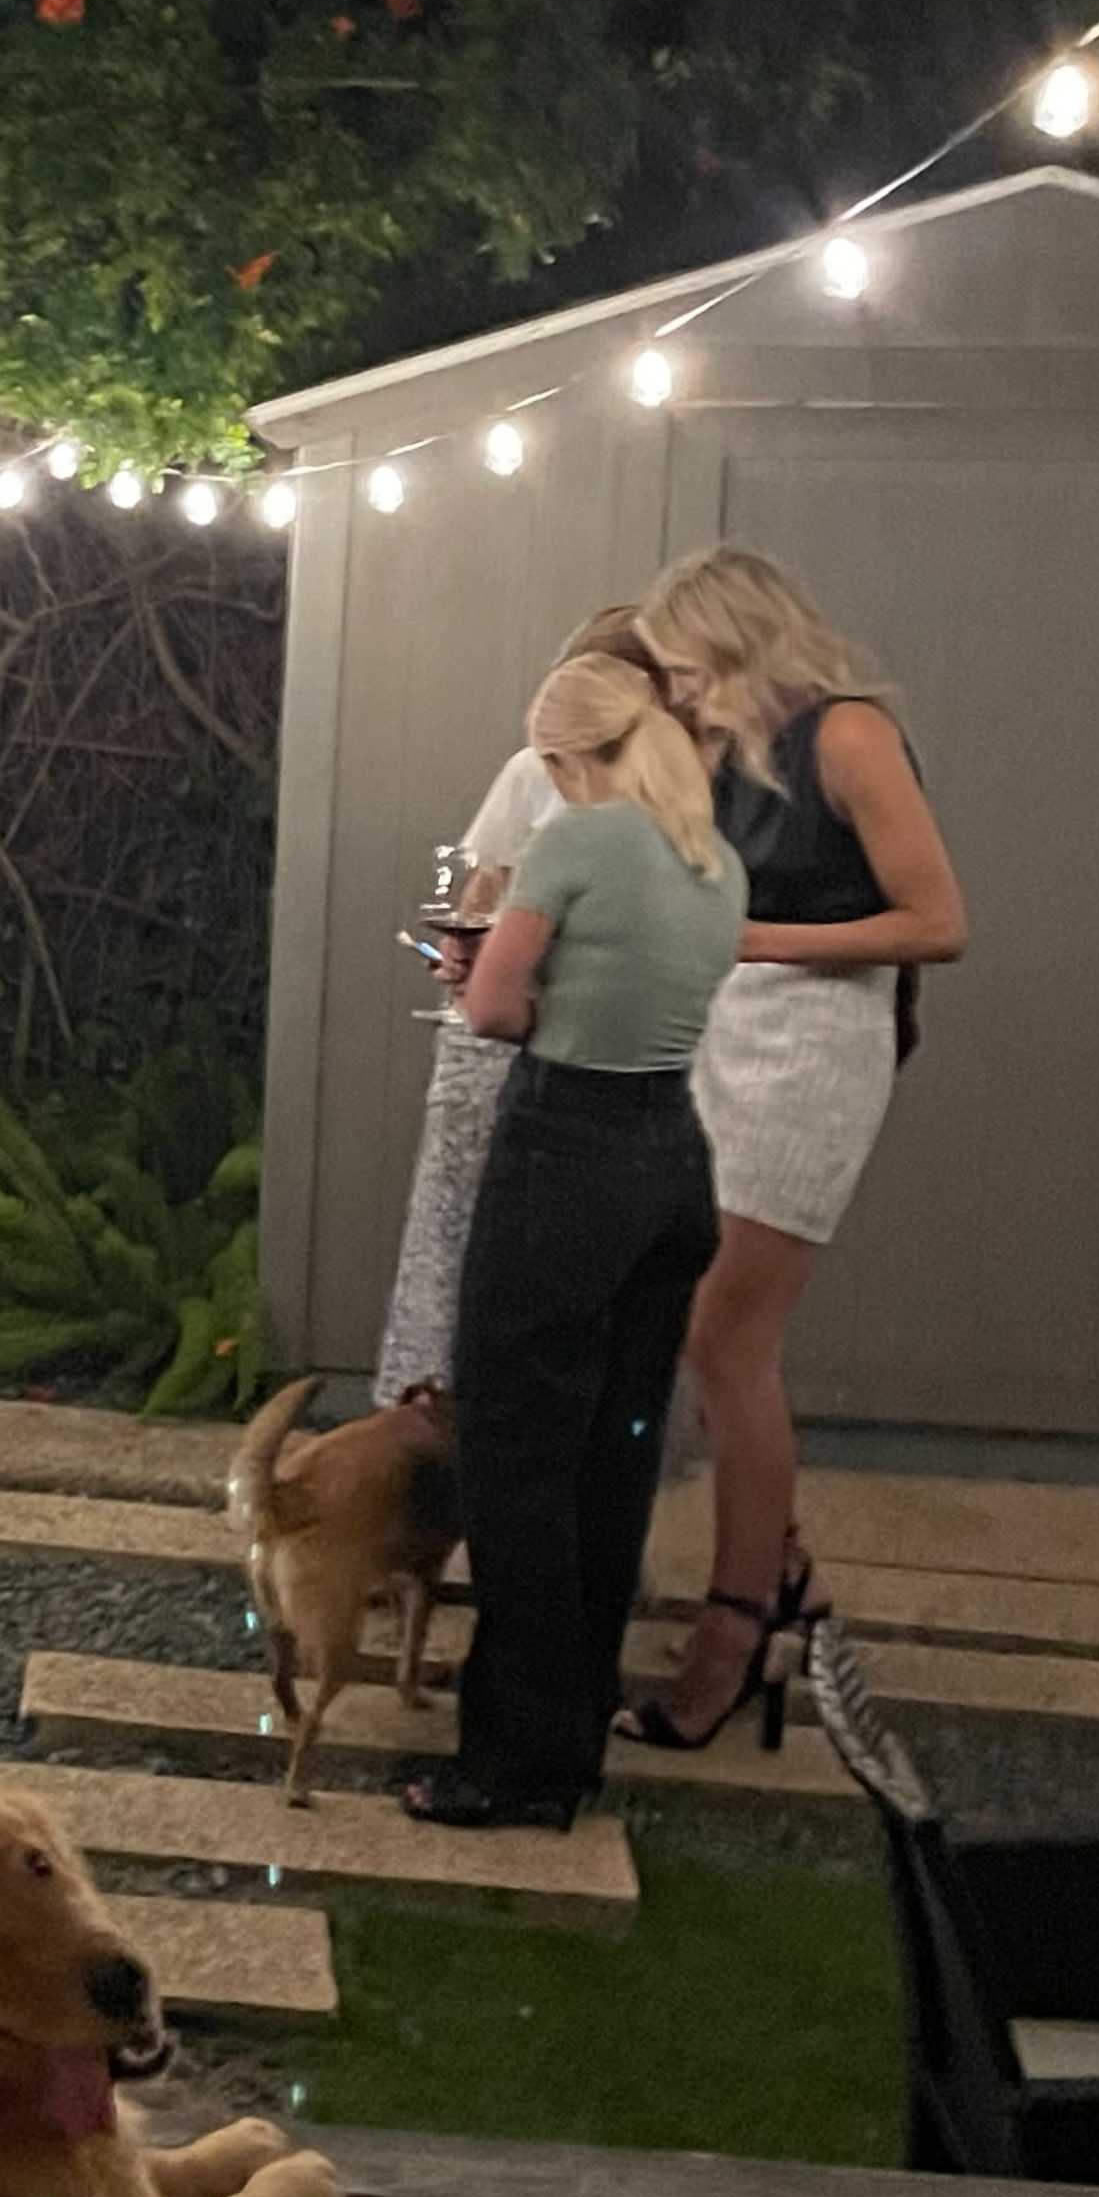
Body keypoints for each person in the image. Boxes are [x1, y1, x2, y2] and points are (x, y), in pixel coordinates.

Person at [619, 547, 968, 1751]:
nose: (679, 692)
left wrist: (759, 939)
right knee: (688, 1314)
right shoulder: (728, 753)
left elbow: (938, 920)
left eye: (684, 668)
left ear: (733, 644)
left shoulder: (846, 734)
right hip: (726, 1029)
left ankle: (737, 1624)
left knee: (728, 1333)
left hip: (814, 1040)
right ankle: (784, 1569)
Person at [409, 652, 744, 1831]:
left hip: (568, 1147)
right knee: (615, 1451)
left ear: (561, 758)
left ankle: (514, 1757)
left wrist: (491, 975)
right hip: (673, 1158)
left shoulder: (577, 842)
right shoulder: (715, 857)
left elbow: (491, 1006)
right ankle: (579, 1722)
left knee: (515, 1454)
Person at [370, 604, 669, 1405]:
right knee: (452, 1235)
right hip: (496, 1037)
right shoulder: (531, 772)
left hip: (601, 1050)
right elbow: (474, 881)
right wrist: (458, 951)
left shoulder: (683, 798)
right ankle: (427, 1420)